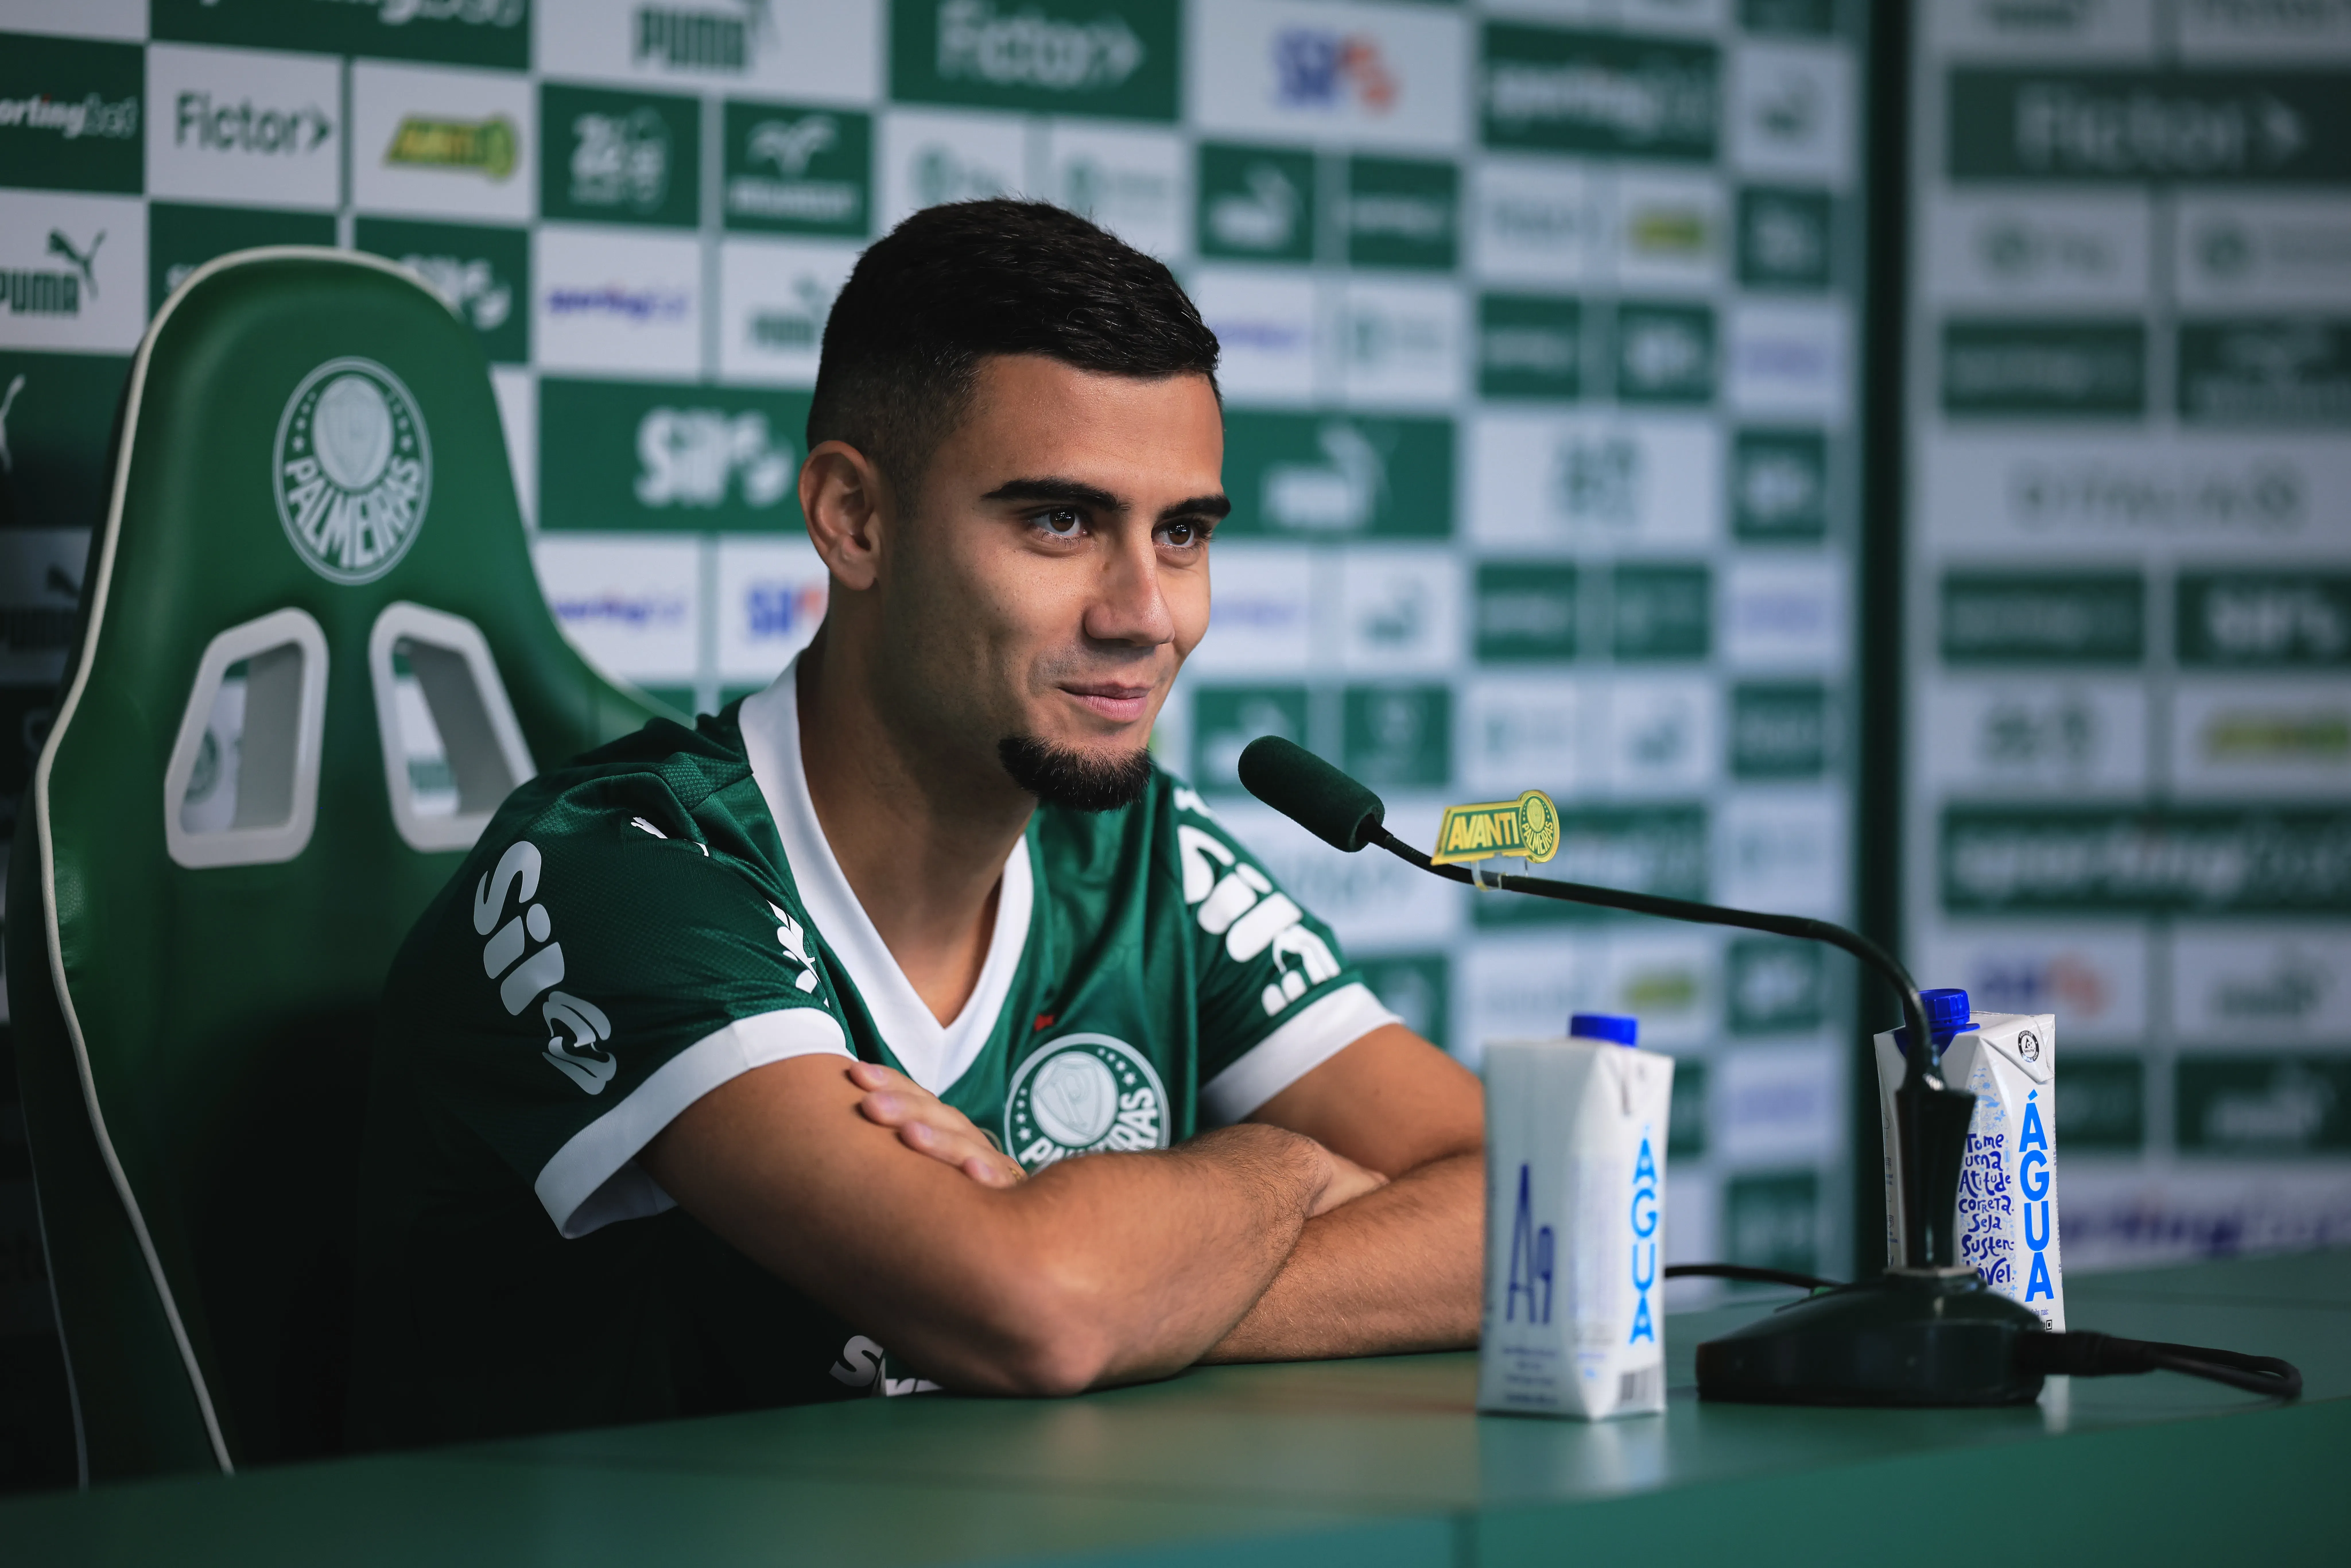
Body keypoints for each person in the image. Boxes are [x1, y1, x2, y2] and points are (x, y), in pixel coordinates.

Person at [348, 199, 1482, 1446]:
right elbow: (1034, 1312)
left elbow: (1552, 1201)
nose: (1145, 615)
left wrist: (1138, 1278)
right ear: (854, 520)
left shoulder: (1145, 854)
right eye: (1059, 520)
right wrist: (1289, 1169)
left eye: (1182, 533)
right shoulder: (620, 866)